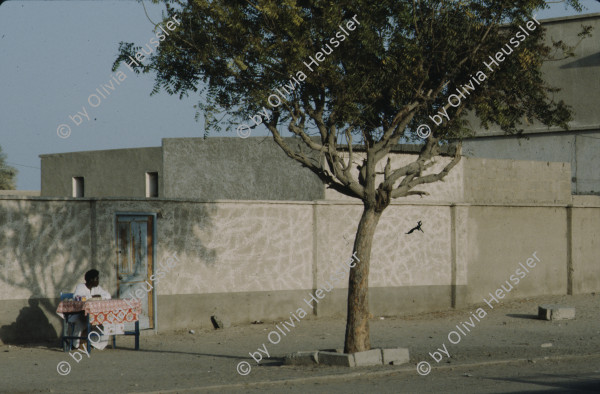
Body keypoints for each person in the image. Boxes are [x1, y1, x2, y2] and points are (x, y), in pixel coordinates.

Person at [67, 269, 111, 350]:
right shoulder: (81, 287)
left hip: (95, 315)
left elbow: (108, 295)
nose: (98, 281)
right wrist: (92, 297)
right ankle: (75, 344)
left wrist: (100, 297)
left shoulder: (97, 288)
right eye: (97, 279)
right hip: (80, 313)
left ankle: (95, 344)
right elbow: (77, 297)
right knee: (81, 323)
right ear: (91, 280)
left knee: (105, 324)